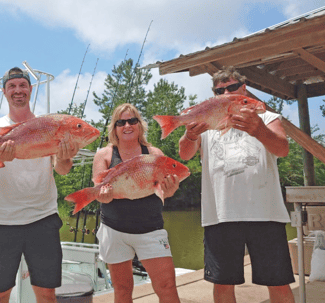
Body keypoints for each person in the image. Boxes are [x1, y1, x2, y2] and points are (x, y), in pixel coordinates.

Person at [178, 67, 295, 303]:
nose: (227, 93)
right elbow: (185, 154)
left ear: (243, 89)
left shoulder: (267, 118)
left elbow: (282, 149)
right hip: (220, 215)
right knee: (222, 284)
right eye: (220, 90)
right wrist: (190, 135)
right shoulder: (208, 120)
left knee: (279, 282)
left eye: (232, 87)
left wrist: (259, 130)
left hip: (266, 213)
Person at [0, 67, 79, 303]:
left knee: (46, 293)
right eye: (12, 86)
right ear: (4, 92)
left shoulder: (49, 125)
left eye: (22, 85)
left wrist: (64, 157)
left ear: (30, 90)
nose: (18, 90)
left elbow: (62, 170)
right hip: (1, 221)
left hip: (42, 218)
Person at [93, 103, 181, 303]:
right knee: (122, 290)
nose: (127, 125)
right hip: (114, 230)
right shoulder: (104, 155)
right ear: (114, 128)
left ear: (140, 125)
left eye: (132, 121)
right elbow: (98, 190)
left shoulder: (154, 153)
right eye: (121, 122)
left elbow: (163, 192)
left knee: (167, 287)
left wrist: (170, 190)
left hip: (150, 229)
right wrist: (101, 195)